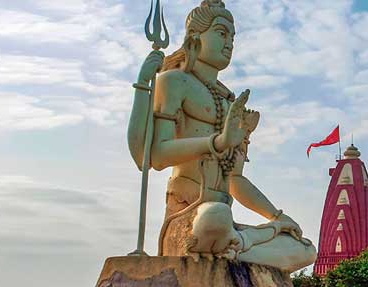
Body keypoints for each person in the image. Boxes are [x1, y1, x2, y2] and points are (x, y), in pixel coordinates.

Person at [126, 0, 316, 272]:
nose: (229, 44)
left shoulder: (229, 103)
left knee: (305, 249)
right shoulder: (174, 82)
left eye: (233, 37)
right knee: (216, 215)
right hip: (190, 218)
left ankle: (233, 246)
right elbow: (155, 156)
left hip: (223, 225)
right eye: (221, 33)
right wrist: (216, 142)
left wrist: (276, 217)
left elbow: (235, 179)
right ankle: (238, 245)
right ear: (196, 37)